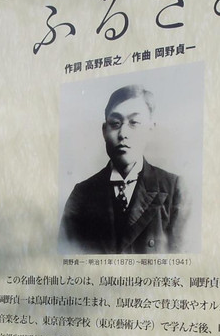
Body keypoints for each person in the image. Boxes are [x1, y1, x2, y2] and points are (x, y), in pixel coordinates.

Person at [60, 84, 187, 254]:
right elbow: (64, 261)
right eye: (115, 123)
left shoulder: (174, 189)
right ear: (104, 131)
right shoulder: (82, 194)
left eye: (134, 122)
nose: (123, 133)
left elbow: (184, 265)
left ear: (150, 129)